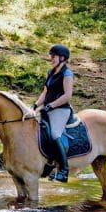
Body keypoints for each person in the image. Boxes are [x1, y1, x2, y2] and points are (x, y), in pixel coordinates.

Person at [32, 44, 74, 182]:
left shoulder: (67, 74)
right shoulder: (51, 73)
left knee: (55, 134)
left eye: (53, 56)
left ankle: (63, 170)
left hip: (61, 110)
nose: (51, 59)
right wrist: (35, 105)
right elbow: (45, 92)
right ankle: (48, 165)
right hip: (47, 109)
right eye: (51, 56)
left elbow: (67, 95)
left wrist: (51, 105)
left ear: (62, 58)